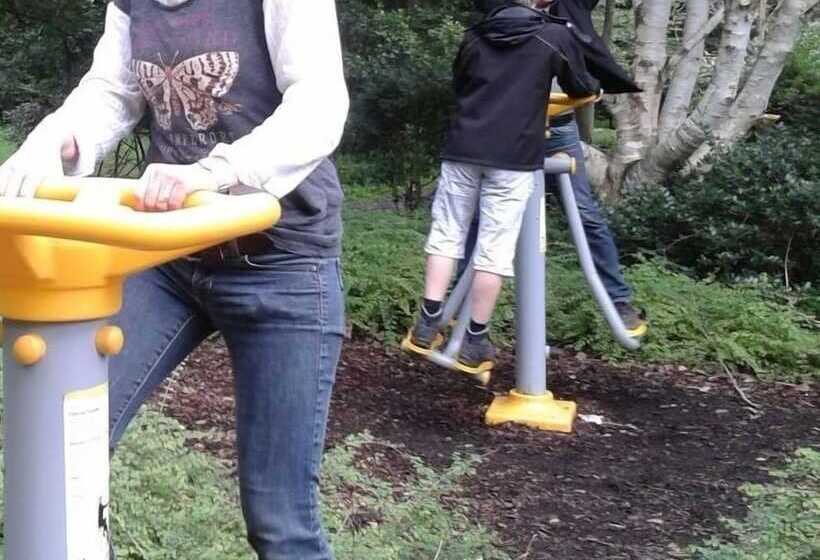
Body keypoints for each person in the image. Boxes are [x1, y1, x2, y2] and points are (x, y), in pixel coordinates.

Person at [0, 1, 348, 559]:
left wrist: (213, 172)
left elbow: (320, 103)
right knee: (67, 446)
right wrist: (55, 138)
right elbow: (110, 92)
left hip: (282, 262)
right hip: (171, 256)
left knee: (280, 521)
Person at [405, 0, 599, 371]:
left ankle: (427, 323)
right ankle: (475, 340)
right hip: (513, 157)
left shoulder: (475, 36)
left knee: (447, 234)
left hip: (463, 147)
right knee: (493, 250)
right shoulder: (554, 35)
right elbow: (580, 84)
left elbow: (460, 84)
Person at [469, 0, 648, 336]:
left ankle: (618, 301)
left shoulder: (569, 8)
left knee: (583, 212)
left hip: (557, 123)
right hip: (504, 122)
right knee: (480, 213)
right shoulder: (500, 12)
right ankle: (459, 310)